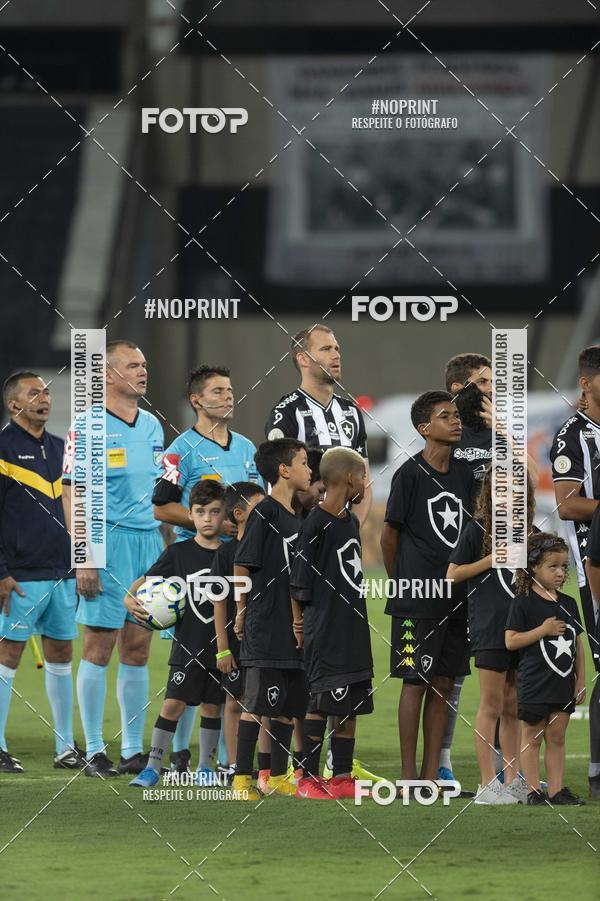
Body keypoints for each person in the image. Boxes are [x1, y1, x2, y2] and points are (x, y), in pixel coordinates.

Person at [152, 365, 263, 768]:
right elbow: (162, 505)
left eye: (230, 389)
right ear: (197, 400)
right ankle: (180, 754)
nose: (228, 396)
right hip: (199, 568)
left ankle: (217, 760)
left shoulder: (248, 448)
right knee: (194, 658)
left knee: (232, 659)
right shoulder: (179, 450)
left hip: (243, 568)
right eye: (218, 391)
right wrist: (211, 521)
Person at [62, 340, 164, 777]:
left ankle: (133, 751)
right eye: (132, 366)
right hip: (106, 544)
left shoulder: (154, 426)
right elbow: (72, 491)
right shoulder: (86, 426)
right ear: (107, 375)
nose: (142, 372)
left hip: (149, 544)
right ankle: (96, 750)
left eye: (144, 364)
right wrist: (83, 556)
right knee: (99, 645)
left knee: (138, 648)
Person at [380, 391, 476, 786]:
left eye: (456, 415)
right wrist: (401, 582)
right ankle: (407, 778)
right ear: (424, 428)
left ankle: (430, 775)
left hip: (458, 596)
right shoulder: (409, 474)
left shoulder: (465, 475)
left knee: (444, 682)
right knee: (415, 680)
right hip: (416, 596)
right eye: (444, 416)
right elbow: (389, 536)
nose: (455, 421)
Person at [0, 372, 81, 773]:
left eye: (47, 392)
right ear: (14, 405)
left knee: (62, 653)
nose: (44, 399)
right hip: (19, 574)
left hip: (63, 573)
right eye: (34, 393)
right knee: (8, 654)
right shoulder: (2, 448)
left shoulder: (61, 447)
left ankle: (65, 747)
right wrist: (0, 571)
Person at [126, 480, 226, 788]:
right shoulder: (179, 553)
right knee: (173, 704)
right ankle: (153, 767)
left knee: (213, 706)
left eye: (214, 512)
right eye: (200, 512)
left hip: (223, 648)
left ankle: (206, 768)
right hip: (188, 646)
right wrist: (129, 597)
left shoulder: (233, 554)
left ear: (224, 516)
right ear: (191, 515)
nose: (207, 518)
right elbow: (147, 579)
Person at [448, 467, 535, 804]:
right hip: (489, 627)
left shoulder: (529, 531)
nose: (509, 495)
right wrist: (492, 559)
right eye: (501, 489)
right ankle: (487, 784)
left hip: (521, 630)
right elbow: (453, 574)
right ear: (488, 493)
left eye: (515, 489)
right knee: (491, 705)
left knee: (514, 705)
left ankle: (513, 779)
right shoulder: (477, 529)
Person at [290, 447, 374, 800]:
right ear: (351, 479)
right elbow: (298, 580)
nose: (366, 484)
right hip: (325, 628)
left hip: (353, 627)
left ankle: (341, 776)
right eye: (364, 478)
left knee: (350, 702)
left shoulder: (350, 521)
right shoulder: (315, 523)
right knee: (321, 701)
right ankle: (307, 777)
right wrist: (298, 625)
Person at [231, 438, 311, 801]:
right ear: (284, 470)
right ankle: (241, 780)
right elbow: (242, 563)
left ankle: (277, 777)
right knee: (257, 705)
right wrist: (241, 611)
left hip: (292, 626)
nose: (310, 471)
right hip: (266, 623)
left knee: (284, 707)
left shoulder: (297, 517)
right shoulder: (265, 513)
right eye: (304, 463)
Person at [550, 345, 600, 799]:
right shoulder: (572, 436)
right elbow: (568, 504)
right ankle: (597, 774)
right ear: (587, 383)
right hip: (594, 569)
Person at [506, 532, 586, 805]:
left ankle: (556, 790)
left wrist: (580, 680)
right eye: (553, 566)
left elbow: (578, 644)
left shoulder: (569, 604)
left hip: (562, 682)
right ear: (533, 567)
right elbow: (511, 640)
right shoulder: (523, 602)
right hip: (534, 682)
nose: (560, 573)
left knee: (557, 736)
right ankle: (532, 791)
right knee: (533, 737)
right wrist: (542, 630)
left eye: (564, 566)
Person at [265, 325, 371, 525]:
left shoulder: (352, 412)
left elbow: (365, 482)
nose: (336, 355)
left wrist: (350, 530)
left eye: (336, 349)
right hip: (299, 535)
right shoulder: (286, 412)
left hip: (340, 539)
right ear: (303, 359)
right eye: (326, 349)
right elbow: (280, 485)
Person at [211, 482, 266, 778]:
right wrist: (223, 646)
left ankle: (266, 766)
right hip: (235, 639)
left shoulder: (271, 547)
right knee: (235, 700)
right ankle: (233, 765)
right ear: (239, 514)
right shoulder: (226, 553)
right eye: (260, 508)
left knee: (265, 700)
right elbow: (219, 603)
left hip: (266, 636)